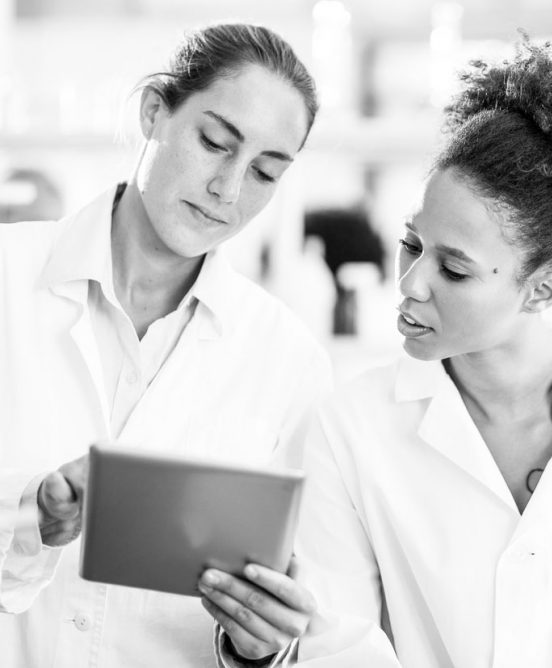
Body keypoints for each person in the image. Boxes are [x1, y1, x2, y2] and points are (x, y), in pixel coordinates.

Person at [278, 37, 552, 666]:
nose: (411, 283)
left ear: (541, 290)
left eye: (455, 269)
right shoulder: (352, 426)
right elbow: (337, 646)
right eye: (411, 244)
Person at [0, 23, 330, 668]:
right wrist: (29, 517)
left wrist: (259, 649)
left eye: (265, 172)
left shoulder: (288, 362)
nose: (228, 190)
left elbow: (305, 605)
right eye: (214, 143)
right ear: (154, 112)